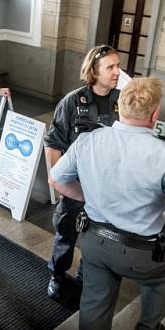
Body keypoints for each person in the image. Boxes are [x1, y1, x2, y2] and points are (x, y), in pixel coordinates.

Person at [49, 77, 165, 330]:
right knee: (158, 283)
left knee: (95, 298)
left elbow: (56, 179)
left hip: (95, 241)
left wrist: (86, 196)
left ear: (119, 108)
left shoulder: (88, 140)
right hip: (144, 253)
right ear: (155, 115)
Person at [43, 45, 121, 301]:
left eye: (118, 66)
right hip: (75, 187)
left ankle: (86, 279)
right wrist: (59, 183)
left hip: (105, 190)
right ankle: (57, 276)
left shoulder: (123, 101)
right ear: (94, 71)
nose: (117, 72)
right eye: (110, 67)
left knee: (96, 239)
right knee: (66, 235)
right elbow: (53, 143)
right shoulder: (73, 102)